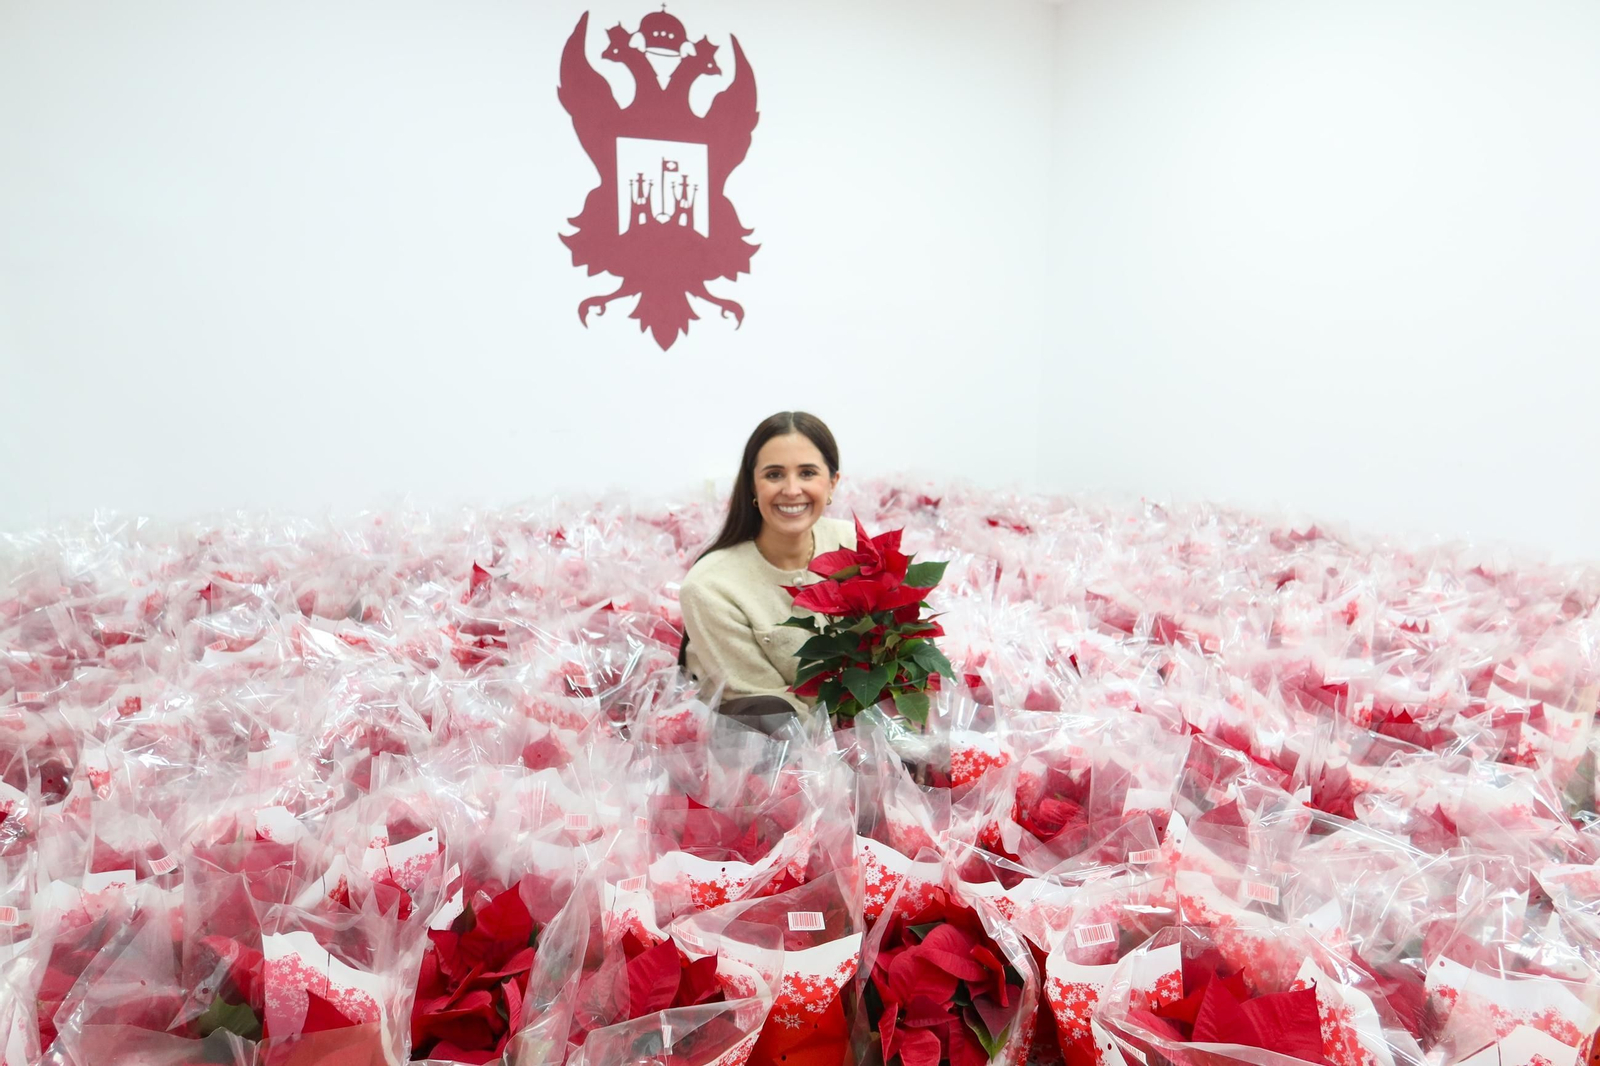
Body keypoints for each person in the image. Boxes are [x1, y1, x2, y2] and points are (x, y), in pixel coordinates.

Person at [679, 411, 856, 722]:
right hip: (774, 740)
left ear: (832, 483)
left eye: (807, 473)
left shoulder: (853, 545)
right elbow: (770, 711)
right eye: (774, 475)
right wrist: (853, 743)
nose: (791, 490)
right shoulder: (710, 588)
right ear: (752, 485)